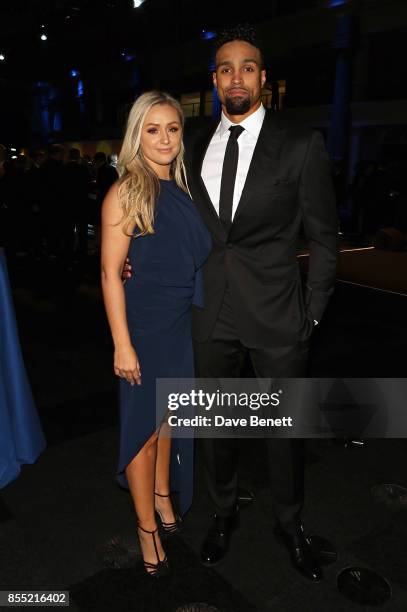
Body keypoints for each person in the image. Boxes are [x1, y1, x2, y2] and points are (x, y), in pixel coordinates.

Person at [183, 25, 338, 581]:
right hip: (209, 310)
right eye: (226, 68)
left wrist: (312, 312)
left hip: (278, 315)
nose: (237, 77)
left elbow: (324, 237)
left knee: (285, 430)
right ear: (215, 79)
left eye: (248, 66)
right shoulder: (192, 142)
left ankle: (290, 523)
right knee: (214, 426)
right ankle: (223, 512)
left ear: (264, 78)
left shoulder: (300, 145)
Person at [101, 91, 211, 578]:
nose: (164, 138)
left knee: (169, 420)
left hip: (178, 323)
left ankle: (165, 495)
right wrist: (122, 344)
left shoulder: (183, 189)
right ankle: (146, 529)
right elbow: (109, 274)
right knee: (145, 432)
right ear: (136, 135)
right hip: (143, 327)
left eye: (172, 128)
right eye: (153, 129)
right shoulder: (128, 190)